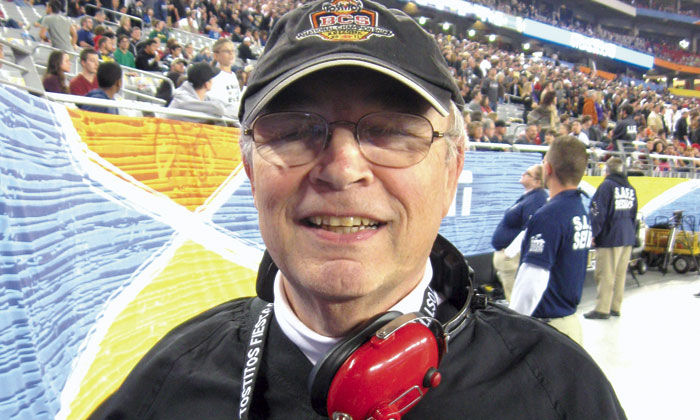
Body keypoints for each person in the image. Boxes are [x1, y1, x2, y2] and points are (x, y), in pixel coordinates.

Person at [88, 2, 624, 419]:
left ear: (451, 169)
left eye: (390, 131)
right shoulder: (161, 391)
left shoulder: (559, 394)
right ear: (251, 171)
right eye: (295, 130)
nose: (343, 169)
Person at [510, 136, 592, 345]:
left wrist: (513, 325)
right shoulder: (579, 210)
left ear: (547, 168)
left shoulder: (549, 215)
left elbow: (533, 279)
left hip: (548, 330)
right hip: (569, 323)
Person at [585, 158, 637, 320]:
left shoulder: (607, 186)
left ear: (606, 171)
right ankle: (615, 306)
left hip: (610, 235)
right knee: (620, 274)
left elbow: (598, 211)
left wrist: (593, 233)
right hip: (627, 235)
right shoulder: (630, 187)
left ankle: (602, 309)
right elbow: (634, 213)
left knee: (605, 273)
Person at [491, 164, 547, 301]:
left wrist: (510, 252)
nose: (523, 174)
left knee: (515, 299)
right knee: (511, 296)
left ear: (537, 182)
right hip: (508, 259)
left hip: (512, 259)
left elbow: (529, 229)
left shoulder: (536, 199)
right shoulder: (529, 198)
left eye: (528, 174)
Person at [208, 38, 241, 120]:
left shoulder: (233, 75)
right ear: (216, 55)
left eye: (233, 51)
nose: (231, 53)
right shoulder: (213, 76)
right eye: (226, 51)